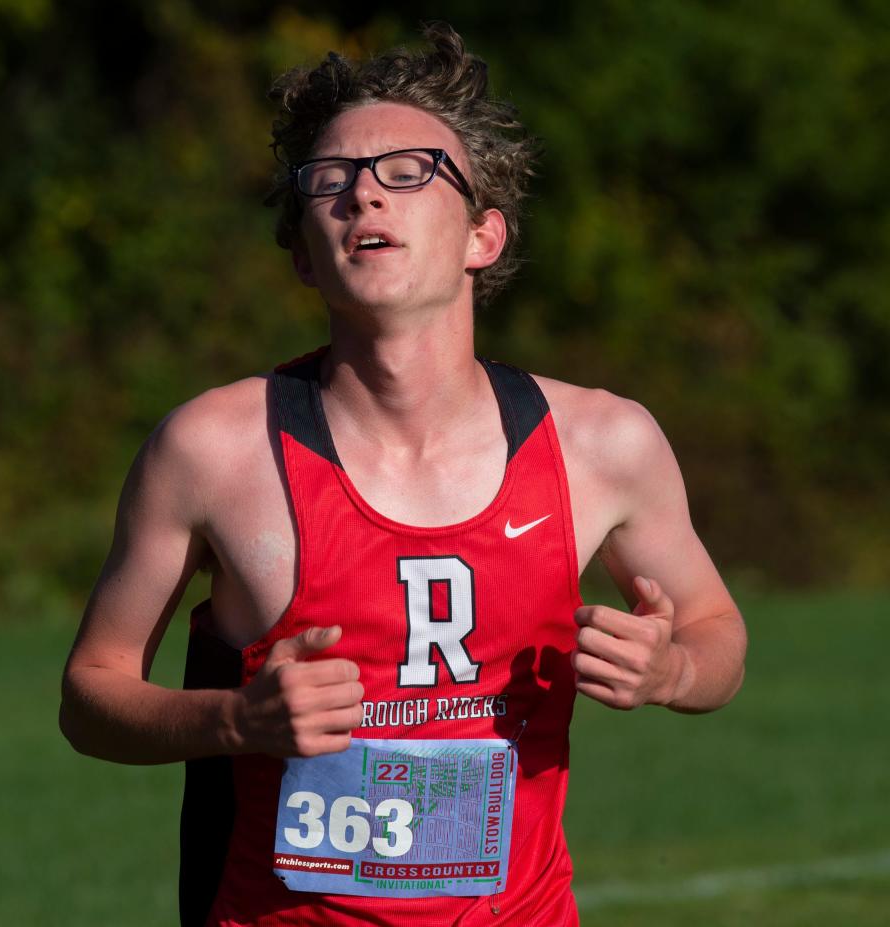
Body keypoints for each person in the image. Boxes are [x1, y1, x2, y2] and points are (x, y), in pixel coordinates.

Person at [60, 23, 746, 927]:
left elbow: (716, 633)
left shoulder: (602, 442)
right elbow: (90, 694)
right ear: (305, 251)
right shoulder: (214, 449)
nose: (362, 196)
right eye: (330, 180)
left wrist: (673, 669)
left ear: (483, 234)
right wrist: (236, 719)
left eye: (408, 171)